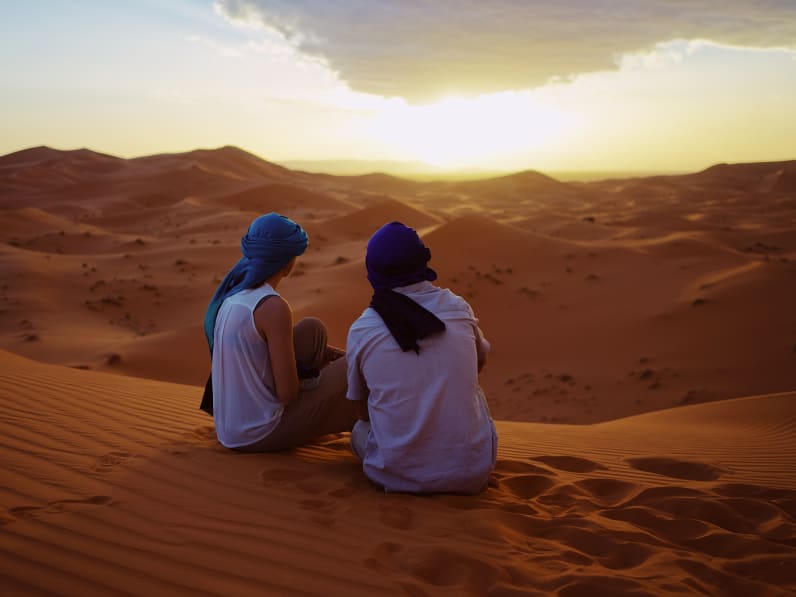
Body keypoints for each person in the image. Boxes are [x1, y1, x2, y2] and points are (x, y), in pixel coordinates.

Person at [346, 221, 497, 493]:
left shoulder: (363, 328)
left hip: (395, 477)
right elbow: (481, 360)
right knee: (475, 392)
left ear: (372, 269)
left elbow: (359, 411)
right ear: (421, 259)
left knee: (359, 430)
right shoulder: (458, 308)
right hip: (473, 476)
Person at [202, 212, 357, 452]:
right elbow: (288, 394)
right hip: (258, 431)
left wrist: (326, 357)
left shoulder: (234, 295)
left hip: (230, 429)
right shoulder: (272, 307)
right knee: (356, 365)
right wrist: (323, 380)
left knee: (312, 331)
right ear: (287, 262)